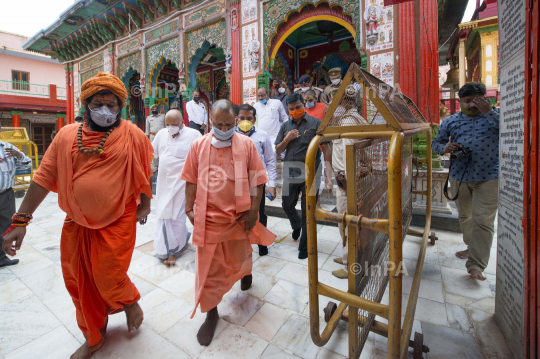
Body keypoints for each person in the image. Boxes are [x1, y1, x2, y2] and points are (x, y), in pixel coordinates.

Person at [2, 72, 153, 359]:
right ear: (85, 104)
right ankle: (93, 336)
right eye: (98, 103)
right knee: (79, 283)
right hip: (76, 222)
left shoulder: (133, 135)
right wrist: (20, 221)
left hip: (119, 218)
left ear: (121, 106)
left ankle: (130, 301)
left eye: (112, 105)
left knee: (108, 277)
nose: (105, 110)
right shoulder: (67, 135)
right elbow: (44, 177)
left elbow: (144, 170)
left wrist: (144, 205)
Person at [180, 99, 275, 346]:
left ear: (236, 121)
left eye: (228, 123)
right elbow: (190, 178)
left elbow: (257, 179)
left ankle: (246, 272)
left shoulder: (246, 144)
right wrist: (188, 208)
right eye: (218, 124)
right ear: (210, 121)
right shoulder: (199, 145)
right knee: (208, 269)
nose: (224, 128)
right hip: (208, 219)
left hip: (238, 216)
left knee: (240, 257)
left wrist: (254, 210)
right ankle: (211, 313)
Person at [432, 82, 499, 281]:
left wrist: (488, 112)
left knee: (484, 221)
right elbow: (436, 143)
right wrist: (446, 148)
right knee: (465, 216)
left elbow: (513, 130)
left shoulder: (495, 117)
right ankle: (472, 246)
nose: (472, 105)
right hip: (460, 174)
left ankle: (476, 265)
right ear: (460, 102)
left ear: (484, 99)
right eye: (467, 101)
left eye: (476, 100)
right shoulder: (451, 121)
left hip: (489, 177)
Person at [275, 93, 332, 259]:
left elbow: (326, 149)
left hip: (311, 172)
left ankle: (304, 247)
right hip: (290, 171)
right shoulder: (285, 126)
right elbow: (278, 151)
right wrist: (286, 139)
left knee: (308, 210)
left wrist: (328, 175)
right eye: (291, 109)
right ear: (287, 109)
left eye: (298, 107)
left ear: (303, 105)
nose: (295, 111)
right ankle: (297, 224)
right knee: (286, 204)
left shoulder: (316, 123)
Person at [152, 109, 201, 265]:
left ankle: (171, 251)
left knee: (176, 215)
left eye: (175, 124)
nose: (171, 127)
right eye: (168, 124)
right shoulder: (161, 134)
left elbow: (201, 157)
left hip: (182, 183)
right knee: (163, 212)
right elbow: (152, 153)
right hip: (163, 183)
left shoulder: (194, 135)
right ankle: (175, 244)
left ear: (182, 122)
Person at [330, 86, 368, 279]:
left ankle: (349, 266)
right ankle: (347, 256)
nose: (332, 105)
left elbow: (347, 153)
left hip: (347, 180)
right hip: (350, 178)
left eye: (336, 102)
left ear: (347, 102)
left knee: (347, 221)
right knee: (344, 220)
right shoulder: (353, 119)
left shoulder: (347, 122)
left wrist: (343, 177)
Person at [235, 104, 277, 256]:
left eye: (249, 118)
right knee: (239, 213)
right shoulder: (231, 135)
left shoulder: (262, 135)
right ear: (236, 119)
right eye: (241, 118)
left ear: (254, 119)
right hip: (237, 183)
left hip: (256, 182)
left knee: (259, 212)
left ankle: (261, 242)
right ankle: (242, 241)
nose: (245, 121)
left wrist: (271, 184)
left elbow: (270, 161)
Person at [0, 138, 32, 268]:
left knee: (6, 224)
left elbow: (27, 164)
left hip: (5, 194)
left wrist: (19, 156)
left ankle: (1, 257)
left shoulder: (8, 148)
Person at [145, 104, 166, 172]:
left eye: (156, 109)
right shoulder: (148, 118)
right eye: (153, 110)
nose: (154, 110)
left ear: (158, 109)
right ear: (151, 111)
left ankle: (162, 165)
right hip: (152, 136)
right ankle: (155, 166)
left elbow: (166, 127)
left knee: (162, 149)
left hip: (162, 136)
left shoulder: (163, 116)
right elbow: (147, 129)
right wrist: (147, 138)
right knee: (153, 150)